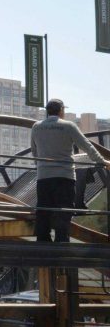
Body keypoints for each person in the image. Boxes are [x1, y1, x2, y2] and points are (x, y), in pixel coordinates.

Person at [30, 98, 110, 242]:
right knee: (64, 211)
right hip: (64, 177)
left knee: (43, 212)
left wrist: (40, 166)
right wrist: (102, 161)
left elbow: (34, 151)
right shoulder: (68, 126)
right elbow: (87, 146)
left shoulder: (36, 127)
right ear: (61, 110)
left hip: (43, 178)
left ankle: (42, 244)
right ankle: (61, 243)